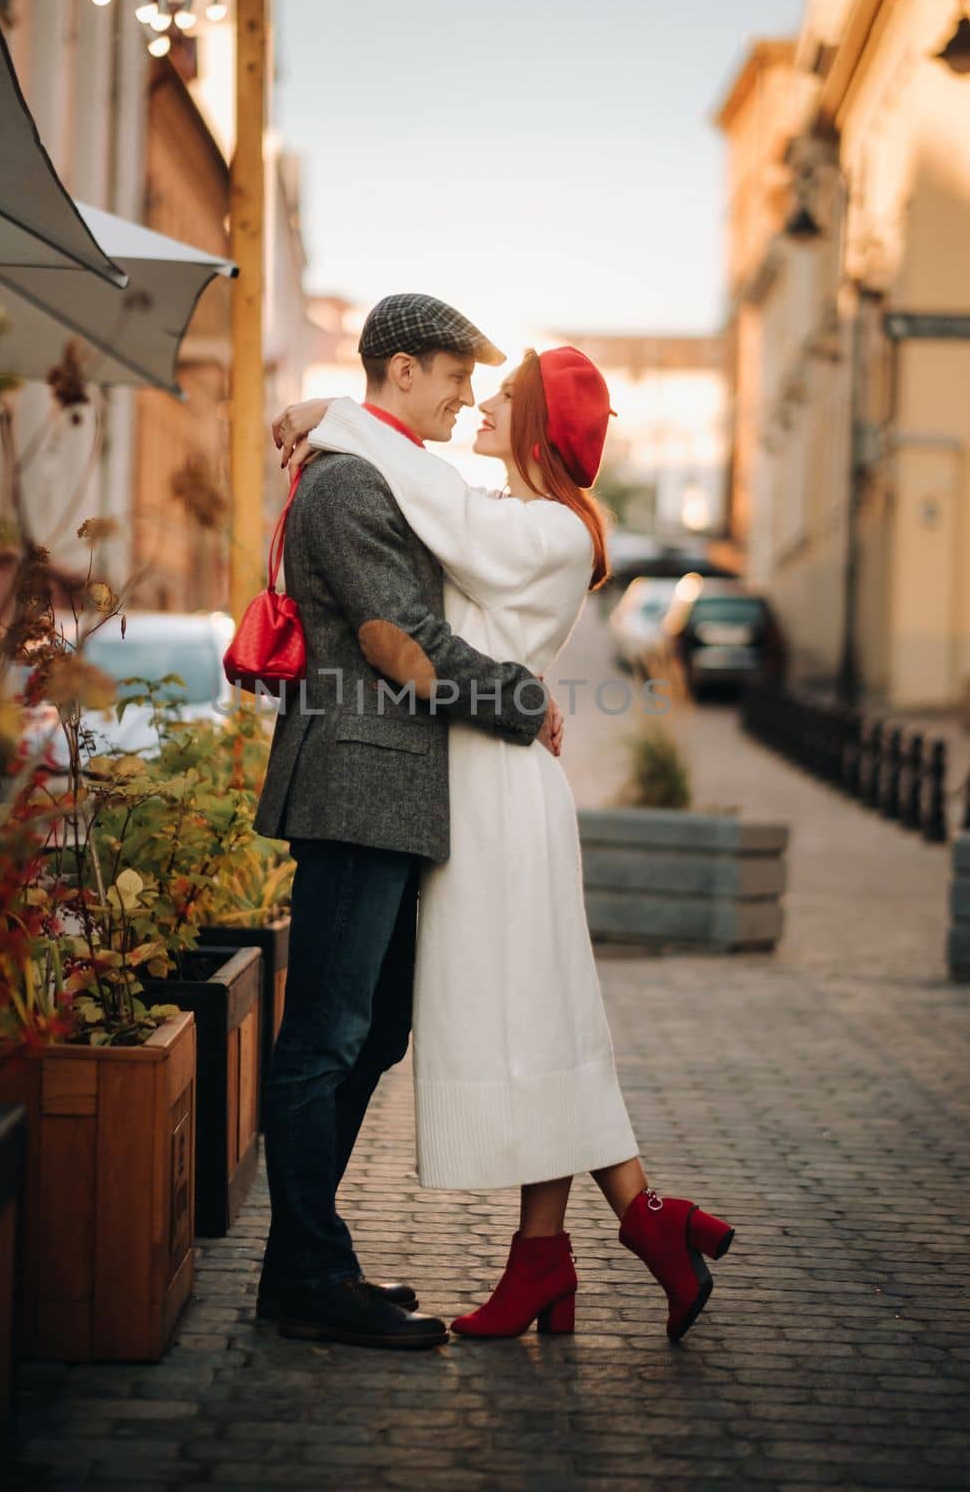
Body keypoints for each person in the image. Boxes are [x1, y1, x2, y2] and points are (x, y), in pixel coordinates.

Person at [275, 342, 735, 1344]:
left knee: (537, 1021)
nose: (480, 405)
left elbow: (439, 510)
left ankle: (626, 1226)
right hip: (471, 781)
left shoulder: (543, 531)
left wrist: (331, 413)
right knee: (539, 1020)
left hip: (495, 795)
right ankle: (573, 1248)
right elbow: (433, 522)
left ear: (535, 427)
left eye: (504, 398)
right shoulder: (523, 523)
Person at [253, 293, 566, 1351]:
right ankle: (305, 1272)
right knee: (326, 1038)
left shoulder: (378, 469)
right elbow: (401, 638)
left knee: (372, 1029)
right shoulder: (347, 485)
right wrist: (521, 699)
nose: (464, 396)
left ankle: (304, 1257)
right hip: (355, 780)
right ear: (397, 370)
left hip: (389, 790)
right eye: (450, 374)